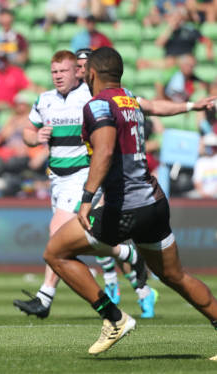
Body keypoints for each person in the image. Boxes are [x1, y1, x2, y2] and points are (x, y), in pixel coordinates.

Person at [42, 46, 217, 358]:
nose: (81, 74)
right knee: (175, 276)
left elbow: (106, 151)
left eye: (84, 70)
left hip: (124, 206)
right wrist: (192, 105)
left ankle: (114, 318)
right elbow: (157, 108)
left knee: (56, 252)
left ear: (92, 74)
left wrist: (86, 199)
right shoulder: (128, 99)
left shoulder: (97, 105)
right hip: (154, 201)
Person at [13, 49, 155, 319]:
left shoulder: (91, 98)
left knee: (57, 234)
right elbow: (28, 133)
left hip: (81, 176)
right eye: (54, 72)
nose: (58, 76)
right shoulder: (44, 100)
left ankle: (45, 298)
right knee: (84, 239)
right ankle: (129, 256)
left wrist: (187, 107)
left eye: (63, 71)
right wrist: (35, 137)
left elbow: (138, 107)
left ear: (78, 72)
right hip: (57, 178)